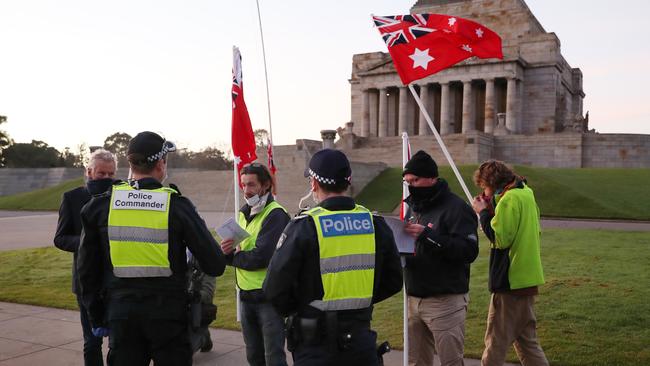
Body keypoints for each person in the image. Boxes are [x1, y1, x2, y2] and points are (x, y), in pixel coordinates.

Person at [77, 131, 226, 366]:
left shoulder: (100, 205)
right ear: (160, 164)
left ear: (130, 163)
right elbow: (215, 264)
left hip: (121, 314)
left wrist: (96, 316)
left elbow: (86, 270)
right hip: (168, 318)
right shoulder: (176, 205)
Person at [263, 148, 403, 366]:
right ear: (348, 182)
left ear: (314, 184)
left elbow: (274, 287)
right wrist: (358, 300)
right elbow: (393, 281)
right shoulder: (375, 223)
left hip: (315, 346)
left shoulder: (305, 226)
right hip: (360, 341)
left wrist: (302, 308)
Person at [401, 150, 479, 366]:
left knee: (451, 362)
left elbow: (468, 251)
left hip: (445, 302)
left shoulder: (457, 208)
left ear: (432, 178)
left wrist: (428, 235)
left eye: (415, 180)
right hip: (413, 298)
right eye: (408, 181)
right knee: (416, 362)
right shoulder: (414, 208)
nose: (411, 186)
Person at [471, 160, 549, 366]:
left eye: (484, 187)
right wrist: (492, 206)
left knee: (495, 341)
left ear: (492, 183)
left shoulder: (509, 199)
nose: (484, 193)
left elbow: (499, 238)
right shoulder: (525, 193)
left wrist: (483, 213)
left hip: (510, 281)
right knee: (527, 343)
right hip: (527, 278)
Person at [220, 163, 290, 366]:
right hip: (246, 295)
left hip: (268, 297)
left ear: (266, 185)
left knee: (273, 358)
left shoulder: (276, 215)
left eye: (251, 185)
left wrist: (231, 257)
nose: (246, 190)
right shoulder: (243, 213)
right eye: (243, 185)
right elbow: (236, 249)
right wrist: (227, 251)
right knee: (253, 356)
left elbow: (261, 257)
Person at [54, 148, 117, 366]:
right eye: (102, 174)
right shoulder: (72, 198)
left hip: (116, 280)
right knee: (92, 341)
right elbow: (60, 238)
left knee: (117, 342)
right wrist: (87, 242)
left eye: (111, 174)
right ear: (89, 171)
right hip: (85, 282)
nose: (107, 178)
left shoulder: (122, 196)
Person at [187, 250, 217, 354]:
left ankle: (203, 338)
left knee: (185, 351)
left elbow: (208, 294)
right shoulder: (177, 262)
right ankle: (204, 336)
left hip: (198, 306)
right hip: (182, 306)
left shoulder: (207, 265)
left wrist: (192, 295)